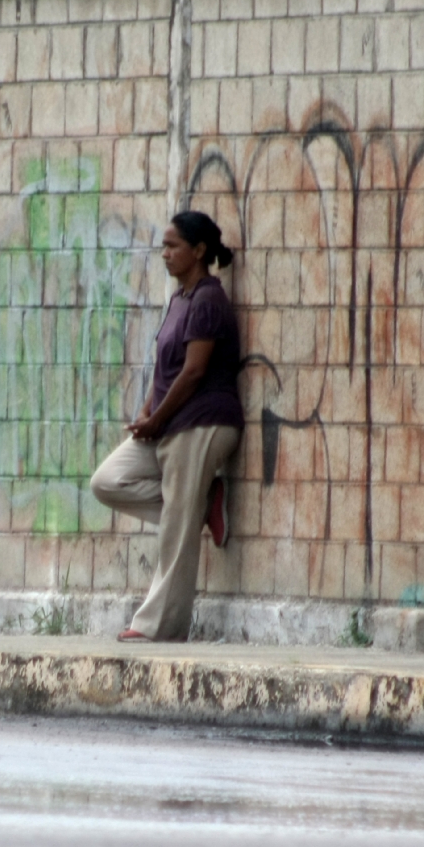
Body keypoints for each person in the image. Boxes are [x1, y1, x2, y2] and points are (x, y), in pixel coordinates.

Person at [89, 210, 243, 642]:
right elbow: (166, 368)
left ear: (198, 251)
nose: (164, 254)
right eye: (164, 246)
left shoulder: (210, 299)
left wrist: (158, 419)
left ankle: (158, 626)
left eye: (173, 246)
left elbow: (193, 372)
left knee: (177, 521)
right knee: (107, 481)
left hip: (202, 423)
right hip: (169, 423)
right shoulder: (180, 299)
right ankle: (202, 503)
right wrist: (145, 413)